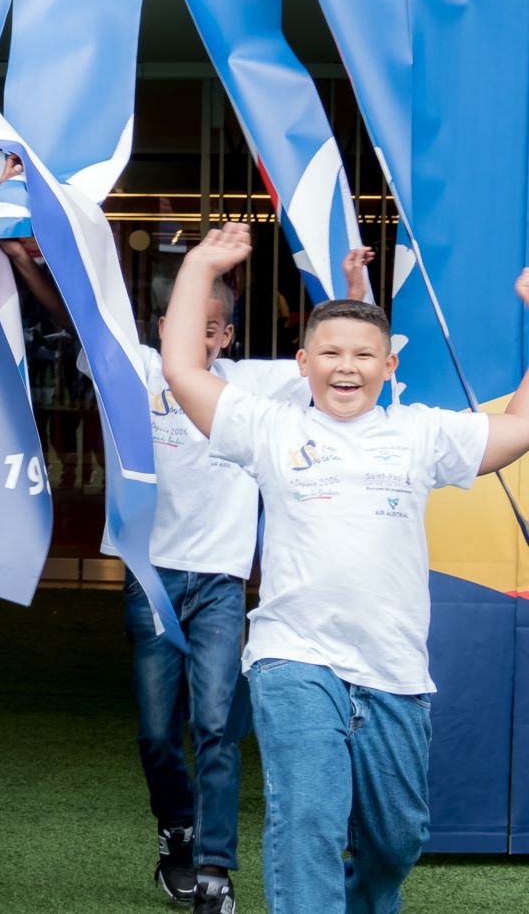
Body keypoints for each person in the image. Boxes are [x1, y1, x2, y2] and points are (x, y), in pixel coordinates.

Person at [3, 193, 374, 912]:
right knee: (154, 730)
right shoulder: (140, 372)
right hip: (151, 578)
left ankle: (213, 866)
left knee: (212, 723)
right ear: (165, 328)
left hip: (221, 583)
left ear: (226, 335)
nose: (197, 340)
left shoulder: (257, 386)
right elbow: (77, 322)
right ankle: (176, 828)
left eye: (210, 329)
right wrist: (25, 266)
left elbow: (336, 364)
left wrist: (353, 295)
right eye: (183, 325)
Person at [160, 222, 529, 914]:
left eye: (364, 354)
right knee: (308, 821)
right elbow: (183, 370)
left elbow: (518, 429)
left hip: (394, 670)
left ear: (389, 366)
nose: (347, 365)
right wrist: (200, 267)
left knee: (395, 840)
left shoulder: (419, 433)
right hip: (293, 658)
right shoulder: (272, 428)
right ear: (303, 363)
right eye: (330, 352)